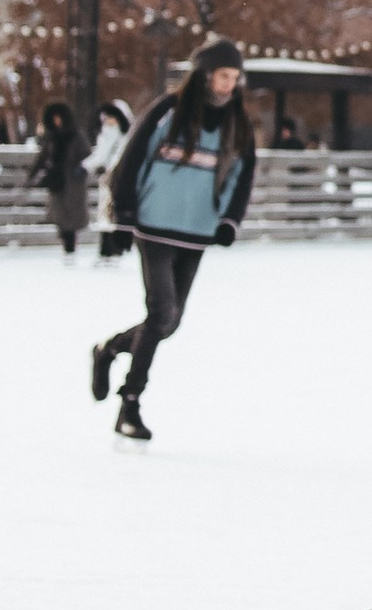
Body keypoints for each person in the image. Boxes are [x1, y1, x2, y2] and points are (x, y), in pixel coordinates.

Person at [90, 41, 257, 441]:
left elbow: (242, 175)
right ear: (204, 75)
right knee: (161, 310)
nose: (229, 85)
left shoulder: (237, 123)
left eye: (234, 78)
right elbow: (131, 159)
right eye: (223, 76)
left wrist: (229, 220)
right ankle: (130, 404)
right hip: (154, 226)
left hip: (197, 230)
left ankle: (109, 350)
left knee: (168, 322)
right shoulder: (168, 111)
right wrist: (124, 217)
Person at [28, 99, 91, 255]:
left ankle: (70, 246)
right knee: (60, 215)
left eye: (59, 117)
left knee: (71, 215)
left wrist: (80, 168)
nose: (57, 121)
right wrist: (33, 174)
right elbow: (43, 156)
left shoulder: (76, 135)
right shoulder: (51, 137)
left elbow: (86, 154)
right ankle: (66, 243)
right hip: (57, 180)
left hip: (73, 182)